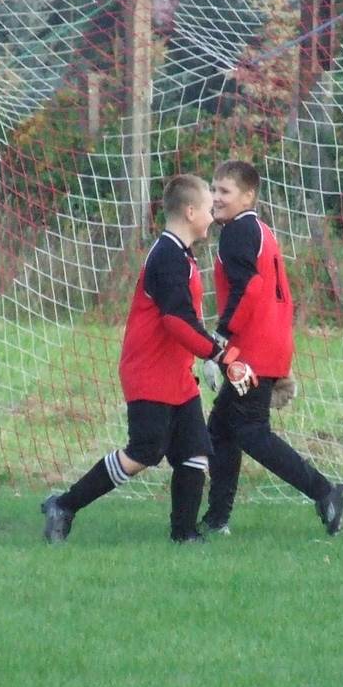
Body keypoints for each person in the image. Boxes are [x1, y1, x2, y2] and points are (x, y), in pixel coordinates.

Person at [41, 174, 256, 544]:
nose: (213, 214)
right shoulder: (168, 256)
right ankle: (63, 505)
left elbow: (186, 322)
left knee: (195, 452)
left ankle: (185, 535)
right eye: (208, 207)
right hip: (149, 371)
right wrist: (222, 355)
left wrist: (215, 354)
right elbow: (177, 322)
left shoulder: (181, 254)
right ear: (190, 212)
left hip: (176, 374)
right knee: (145, 451)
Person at [200, 159, 343, 536]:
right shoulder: (260, 230)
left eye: (225, 191)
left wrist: (220, 338)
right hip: (267, 346)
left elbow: (249, 290)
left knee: (251, 431)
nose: (215, 197)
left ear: (248, 196)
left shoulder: (237, 232)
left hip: (250, 352)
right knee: (221, 429)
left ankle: (326, 492)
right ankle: (217, 519)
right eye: (213, 189)